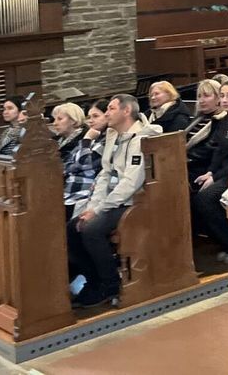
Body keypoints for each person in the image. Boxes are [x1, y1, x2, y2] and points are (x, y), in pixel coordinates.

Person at [67, 94, 163, 308]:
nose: (107, 113)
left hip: (132, 202)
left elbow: (130, 183)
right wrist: (92, 207)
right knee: (72, 228)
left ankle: (109, 285)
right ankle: (93, 280)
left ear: (126, 111)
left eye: (111, 109)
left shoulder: (141, 139)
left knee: (91, 230)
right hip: (109, 201)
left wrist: (99, 210)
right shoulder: (112, 134)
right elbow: (105, 174)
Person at [189, 78, 228, 265]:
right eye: (222, 96)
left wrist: (216, 177)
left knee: (205, 198)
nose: (225, 100)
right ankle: (224, 242)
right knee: (197, 194)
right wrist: (210, 173)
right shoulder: (224, 121)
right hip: (222, 171)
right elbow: (218, 151)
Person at [51, 103, 99, 220]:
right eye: (54, 119)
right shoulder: (56, 142)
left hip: (77, 192)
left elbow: (81, 165)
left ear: (73, 121)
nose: (54, 123)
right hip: (60, 189)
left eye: (60, 119)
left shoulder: (86, 138)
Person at [185, 79, 228, 186]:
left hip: (203, 167)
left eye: (206, 96)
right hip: (187, 163)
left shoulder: (222, 120)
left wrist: (185, 157)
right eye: (199, 96)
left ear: (218, 98)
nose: (201, 100)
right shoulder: (199, 118)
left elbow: (211, 149)